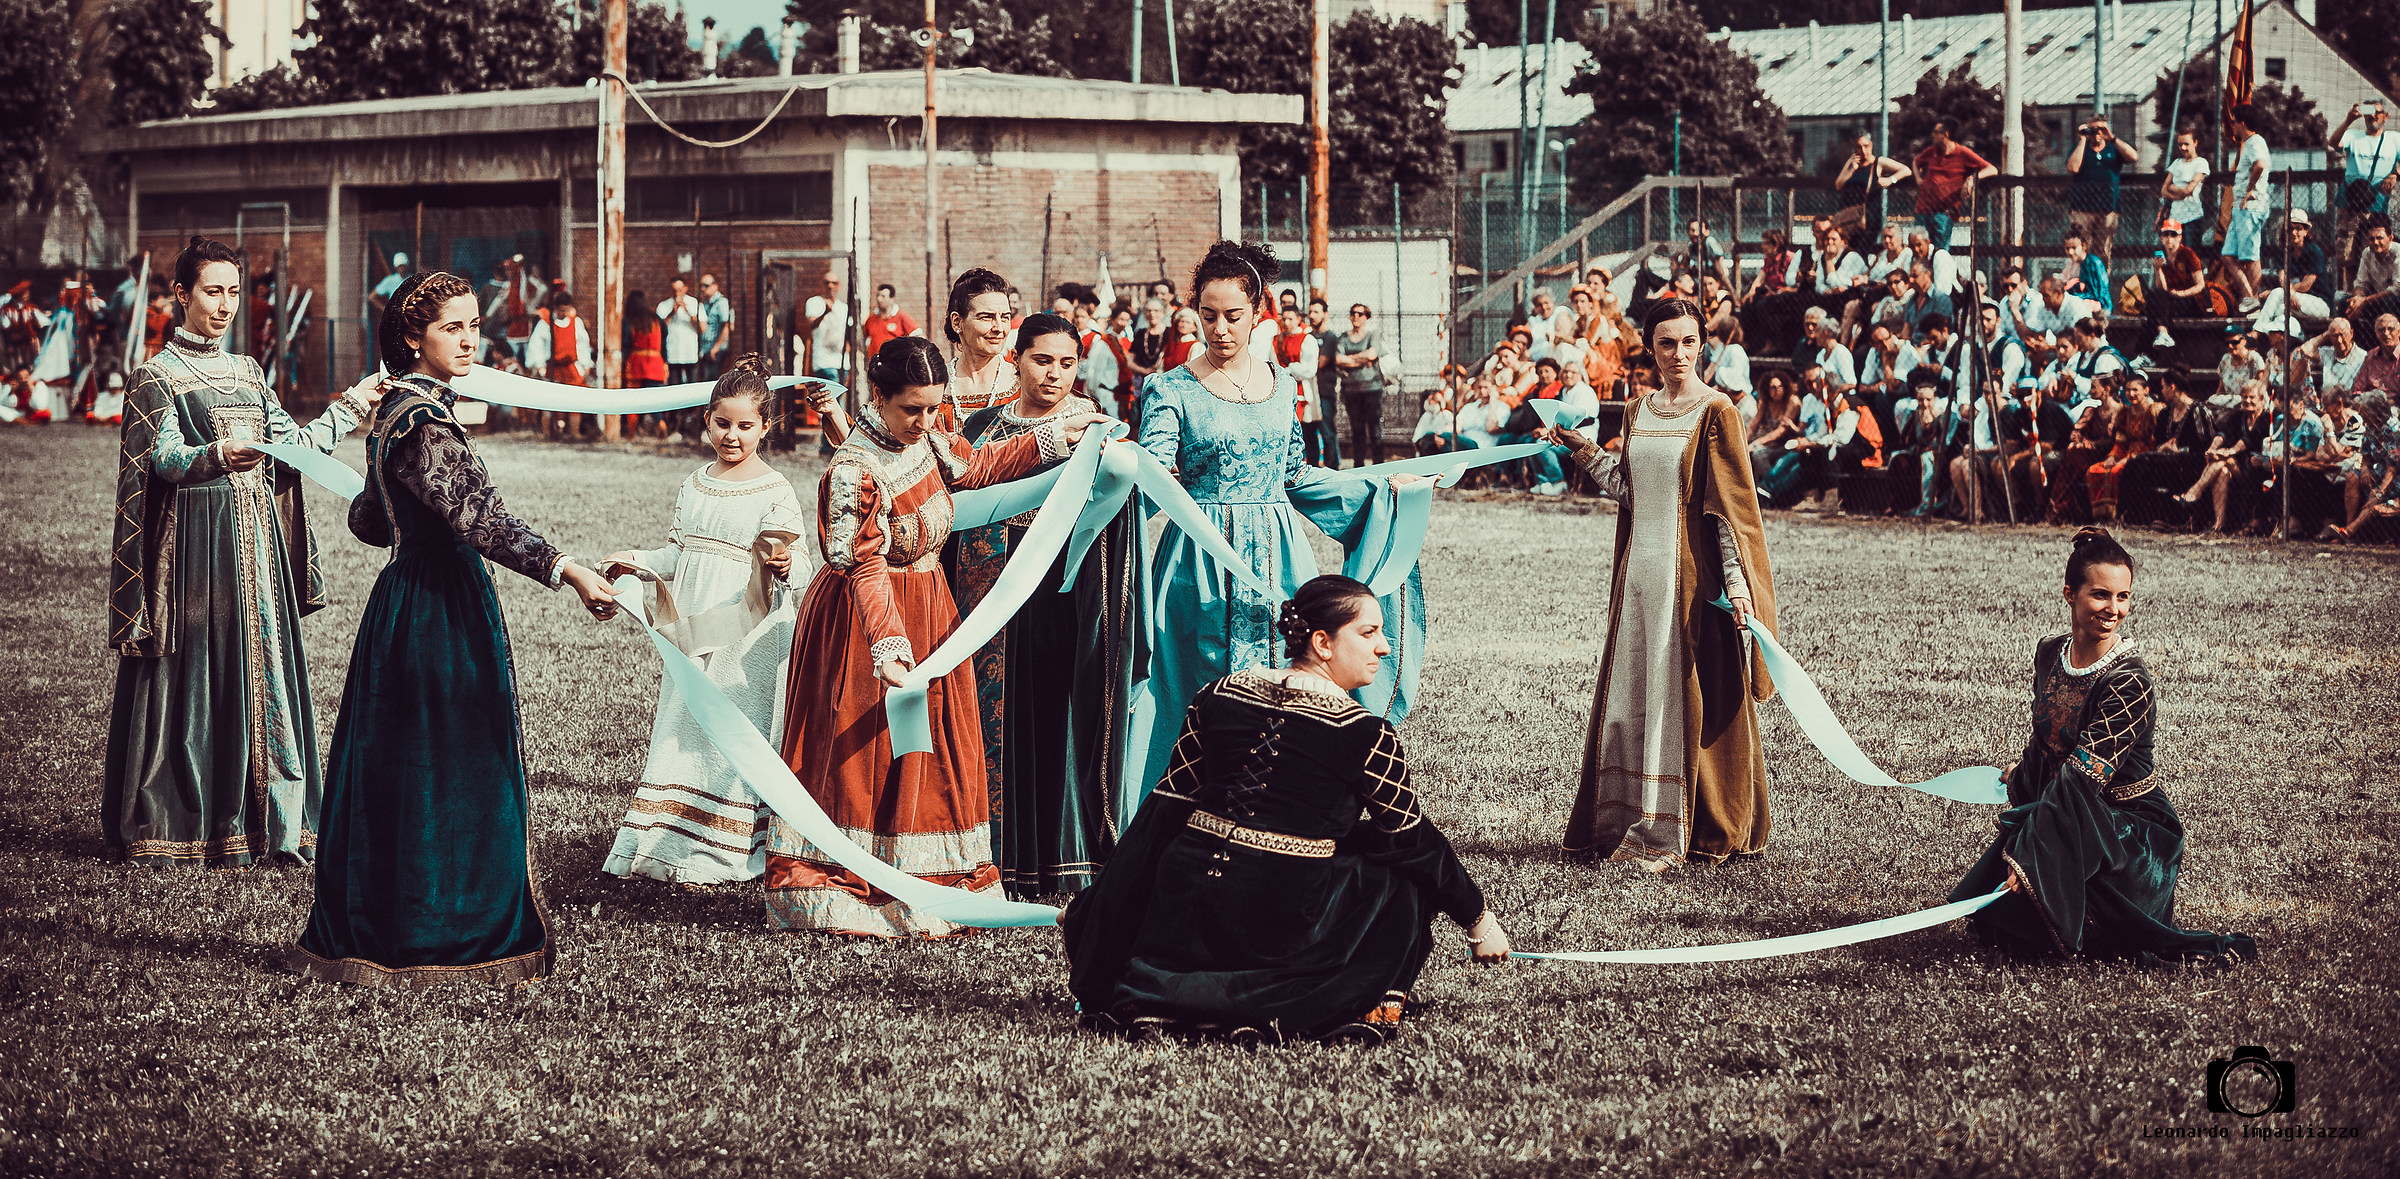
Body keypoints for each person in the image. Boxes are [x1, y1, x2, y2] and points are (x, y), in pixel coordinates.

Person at [291, 270, 621, 984]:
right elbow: (482, 520)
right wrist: (568, 568)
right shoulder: (421, 420)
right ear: (414, 336)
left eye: (475, 324)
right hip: (437, 607)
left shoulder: (399, 413)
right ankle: (440, 930)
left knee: (407, 761)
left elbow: (368, 520)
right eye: (452, 327)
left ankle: (394, 923)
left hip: (406, 601)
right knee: (445, 765)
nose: (470, 338)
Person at [1060, 576, 1508, 1045]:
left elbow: (1161, 817)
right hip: (1275, 923)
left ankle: (1173, 987)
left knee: (1364, 840)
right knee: (1404, 873)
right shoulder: (1366, 733)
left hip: (1184, 910)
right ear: (1322, 643)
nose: (1386, 647)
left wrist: (1098, 909)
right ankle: (1353, 995)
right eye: (1369, 632)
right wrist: (1480, 922)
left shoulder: (1217, 695)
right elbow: (1416, 842)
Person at [766, 336, 1105, 937]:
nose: (925, 421)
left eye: (933, 408)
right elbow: (864, 567)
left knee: (931, 747)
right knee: (864, 748)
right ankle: (849, 870)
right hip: (861, 621)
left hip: (929, 606)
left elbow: (973, 469)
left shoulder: (930, 434)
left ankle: (924, 868)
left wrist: (1053, 442)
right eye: (912, 410)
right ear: (878, 397)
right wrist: (889, 647)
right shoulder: (854, 470)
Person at [103, 236, 382, 869]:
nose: (226, 305)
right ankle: (191, 819)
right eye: (212, 291)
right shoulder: (156, 376)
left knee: (268, 679)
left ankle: (276, 824)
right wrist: (214, 457)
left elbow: (296, 449)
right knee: (201, 676)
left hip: (256, 546)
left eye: (234, 291)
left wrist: (352, 405)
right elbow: (161, 461)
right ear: (182, 294)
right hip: (196, 552)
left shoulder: (250, 374)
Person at [1134, 240, 1429, 808]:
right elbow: (1154, 476)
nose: (1220, 329)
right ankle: (1187, 814)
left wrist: (1379, 488)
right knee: (1198, 689)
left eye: (1233, 316)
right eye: (1208, 316)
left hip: (1279, 555)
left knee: (1288, 681)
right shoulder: (1170, 387)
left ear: (1257, 313)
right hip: (1199, 558)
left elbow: (1295, 477)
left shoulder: (1282, 386)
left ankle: (1281, 807)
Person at [1545, 298, 1777, 870]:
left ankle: (1694, 826)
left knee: (1688, 700)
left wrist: (1739, 587)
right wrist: (1585, 453)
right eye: (1666, 343)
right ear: (1650, 347)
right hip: (1640, 578)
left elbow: (1729, 511)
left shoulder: (1717, 411)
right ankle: (1630, 817)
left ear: (1703, 345)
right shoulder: (1637, 408)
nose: (1678, 354)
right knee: (1633, 697)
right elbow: (1630, 491)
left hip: (1692, 582)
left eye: (1689, 342)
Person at [1948, 530, 2254, 963]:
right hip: (2072, 810)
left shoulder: (2129, 682)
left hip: (2127, 829)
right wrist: (2026, 770)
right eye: (2101, 595)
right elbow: (2049, 736)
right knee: (2008, 930)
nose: (2114, 609)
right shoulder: (2051, 652)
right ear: (2070, 594)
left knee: (2062, 929)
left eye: (2123, 597)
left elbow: (2081, 778)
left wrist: (2034, 858)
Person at [944, 315, 1140, 898]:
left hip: (1068, 595)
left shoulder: (1099, 432)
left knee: (1061, 716)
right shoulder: (980, 428)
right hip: (993, 599)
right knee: (993, 719)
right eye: (1040, 361)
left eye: (1065, 363)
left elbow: (1116, 519)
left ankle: (1063, 859)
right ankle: (994, 854)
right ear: (1017, 359)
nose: (1053, 374)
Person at [596, 358, 808, 885]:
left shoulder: (776, 490)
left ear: (766, 427)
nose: (731, 436)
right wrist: (637, 561)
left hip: (749, 631)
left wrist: (784, 565)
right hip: (694, 629)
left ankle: (729, 845)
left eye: (744, 426)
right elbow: (678, 552)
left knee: (733, 726)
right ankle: (668, 840)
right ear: (706, 420)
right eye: (721, 423)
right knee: (684, 725)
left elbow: (800, 561)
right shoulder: (694, 482)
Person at [2173, 380, 2271, 533]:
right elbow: (2223, 434)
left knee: (2223, 460)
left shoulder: (2266, 419)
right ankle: (2218, 524)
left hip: (2256, 468)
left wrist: (2228, 452)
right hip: (2236, 464)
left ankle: (2194, 492)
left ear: (2262, 399)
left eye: (2252, 397)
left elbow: (2249, 439)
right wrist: (2212, 449)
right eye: (2244, 397)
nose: (2247, 401)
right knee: (2222, 471)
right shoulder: (2238, 416)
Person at [937, 267, 1019, 431]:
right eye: (987, 317)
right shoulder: (935, 386)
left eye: (1005, 317)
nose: (999, 328)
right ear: (957, 322)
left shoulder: (1022, 384)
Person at [2330, 100, 2400, 281]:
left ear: (2386, 116)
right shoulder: (2353, 135)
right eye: (2369, 112)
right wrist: (2348, 120)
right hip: (2350, 202)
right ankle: (2346, 293)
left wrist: (2395, 174)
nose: (2373, 116)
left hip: (2377, 203)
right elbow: (2333, 142)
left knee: (2371, 252)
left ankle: (2368, 297)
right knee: (2345, 253)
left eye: (2378, 112)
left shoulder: (2393, 139)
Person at [2219, 104, 2273, 312]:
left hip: (2251, 206)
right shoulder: (2248, 144)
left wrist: (2250, 189)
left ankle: (2254, 302)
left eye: (2233, 122)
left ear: (2242, 123)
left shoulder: (2255, 142)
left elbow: (2260, 164)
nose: (2231, 126)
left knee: (2250, 256)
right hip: (2240, 207)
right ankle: (2249, 298)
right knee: (2228, 255)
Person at [1911, 119, 1997, 250]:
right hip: (1922, 210)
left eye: (1936, 132)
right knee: (1918, 251)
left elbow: (1992, 169)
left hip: (1943, 213)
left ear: (1946, 134)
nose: (1932, 135)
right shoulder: (1932, 151)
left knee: (1939, 253)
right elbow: (1916, 161)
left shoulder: (1962, 153)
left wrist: (1972, 179)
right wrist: (1918, 178)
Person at [524, 289, 594, 438]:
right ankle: (548, 433)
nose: (564, 313)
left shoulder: (576, 323)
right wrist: (540, 364)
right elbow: (537, 345)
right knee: (550, 401)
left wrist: (586, 364)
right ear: (555, 308)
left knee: (575, 400)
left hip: (570, 367)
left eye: (566, 309)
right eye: (561, 310)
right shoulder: (545, 324)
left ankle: (575, 432)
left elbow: (582, 344)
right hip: (553, 367)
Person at [2250, 212, 2330, 337]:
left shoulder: (2314, 251)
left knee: (2277, 293)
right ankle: (2289, 342)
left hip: (2319, 304)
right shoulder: (2284, 252)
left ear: (2306, 231)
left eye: (2299, 228)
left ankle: (2255, 334)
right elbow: (2283, 279)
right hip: (2294, 302)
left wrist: (2286, 292)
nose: (2294, 233)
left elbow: (2306, 285)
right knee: (2278, 311)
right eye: (2290, 229)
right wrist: (2288, 293)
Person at [2065, 117, 2126, 265]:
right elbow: (2073, 167)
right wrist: (2082, 139)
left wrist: (2112, 137)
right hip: (2082, 209)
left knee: (2103, 251)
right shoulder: (2080, 147)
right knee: (2080, 249)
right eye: (2092, 129)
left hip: (2107, 209)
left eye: (2100, 129)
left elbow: (2133, 156)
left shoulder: (2112, 148)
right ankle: (2081, 282)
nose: (2096, 133)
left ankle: (2101, 284)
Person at [1332, 302, 1386, 466]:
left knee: (1375, 430)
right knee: (1357, 431)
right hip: (1351, 391)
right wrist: (1361, 361)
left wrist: (1349, 360)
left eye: (1360, 314)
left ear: (1366, 317)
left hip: (1372, 389)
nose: (1356, 316)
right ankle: (1359, 466)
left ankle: (1379, 465)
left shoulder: (1373, 335)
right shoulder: (1344, 337)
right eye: (1353, 313)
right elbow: (1338, 359)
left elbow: (1372, 354)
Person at [1831, 134, 1910, 241]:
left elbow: (1906, 170)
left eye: (1866, 146)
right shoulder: (1852, 161)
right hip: (1848, 217)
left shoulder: (1878, 162)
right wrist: (1851, 169)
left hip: (1868, 219)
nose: (1863, 150)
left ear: (1871, 145)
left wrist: (1890, 180)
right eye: (1859, 147)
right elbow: (1838, 185)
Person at [2144, 220, 2207, 349]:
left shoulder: (2188, 255)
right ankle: (2163, 334)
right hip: (2173, 299)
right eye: (2166, 234)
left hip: (2191, 300)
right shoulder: (2162, 256)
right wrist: (2158, 270)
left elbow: (2200, 285)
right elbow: (2162, 288)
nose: (2169, 239)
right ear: (2161, 237)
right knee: (2154, 297)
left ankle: (2148, 353)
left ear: (2180, 237)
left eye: (2173, 235)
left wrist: (2181, 293)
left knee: (2154, 310)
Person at [484, 254, 542, 365]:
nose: (507, 273)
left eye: (509, 269)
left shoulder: (529, 282)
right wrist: (488, 315)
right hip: (514, 325)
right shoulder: (509, 285)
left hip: (526, 324)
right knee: (511, 353)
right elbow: (498, 300)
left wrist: (531, 307)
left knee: (530, 355)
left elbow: (542, 289)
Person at [2345, 215, 2400, 326]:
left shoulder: (2398, 252)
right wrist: (2358, 299)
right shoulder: (2367, 253)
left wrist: (2364, 300)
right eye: (2371, 239)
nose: (2375, 242)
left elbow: (2396, 289)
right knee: (2345, 302)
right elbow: (2361, 284)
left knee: (2391, 302)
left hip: (2394, 301)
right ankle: (2356, 339)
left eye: (2380, 238)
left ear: (2390, 238)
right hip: (2376, 299)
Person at [800, 269, 847, 386]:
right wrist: (825, 312)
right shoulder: (814, 302)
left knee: (838, 396)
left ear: (839, 286)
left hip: (842, 361)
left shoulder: (843, 307)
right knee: (832, 397)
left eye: (834, 283)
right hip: (823, 360)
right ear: (822, 285)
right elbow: (812, 324)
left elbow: (847, 335)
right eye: (827, 282)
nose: (830, 286)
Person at [365, 252, 412, 368]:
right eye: (400, 266)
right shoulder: (390, 281)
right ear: (396, 267)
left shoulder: (412, 279)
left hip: (409, 317)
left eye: (403, 265)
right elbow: (371, 296)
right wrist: (385, 309)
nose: (402, 268)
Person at [657, 276, 703, 387]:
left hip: (690, 352)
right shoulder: (664, 305)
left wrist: (688, 311)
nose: (677, 293)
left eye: (680, 290)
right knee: (674, 386)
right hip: (673, 352)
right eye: (674, 290)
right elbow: (659, 329)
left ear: (686, 288)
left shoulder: (694, 303)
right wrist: (672, 312)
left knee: (692, 386)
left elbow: (702, 328)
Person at [862, 282, 918, 362]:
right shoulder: (871, 319)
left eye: (883, 296)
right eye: (878, 295)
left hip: (894, 365)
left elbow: (917, 335)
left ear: (892, 299)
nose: (879, 299)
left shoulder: (901, 317)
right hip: (875, 365)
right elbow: (862, 338)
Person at [2060, 232, 2111, 315]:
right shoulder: (2078, 263)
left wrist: (2075, 296)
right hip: (2085, 300)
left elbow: (2098, 293)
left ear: (2083, 246)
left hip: (2101, 304)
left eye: (2074, 247)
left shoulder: (2093, 263)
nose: (2070, 252)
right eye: (2067, 248)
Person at [697, 272, 734, 380]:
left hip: (716, 349)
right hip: (706, 348)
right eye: (701, 285)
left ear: (715, 286)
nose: (703, 288)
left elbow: (726, 326)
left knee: (712, 380)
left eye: (706, 285)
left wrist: (716, 348)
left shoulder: (721, 302)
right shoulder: (705, 303)